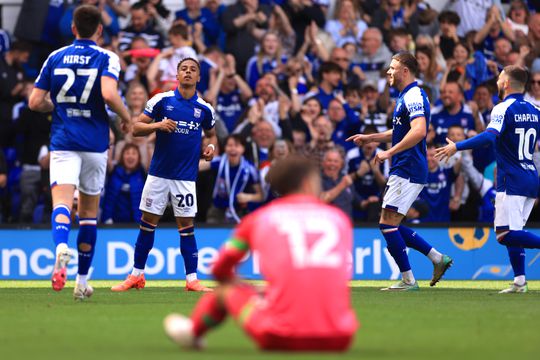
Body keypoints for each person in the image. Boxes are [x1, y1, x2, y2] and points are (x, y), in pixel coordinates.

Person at [163, 155, 358, 351]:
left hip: (278, 335)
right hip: (340, 337)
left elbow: (219, 270)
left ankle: (193, 333)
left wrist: (249, 288)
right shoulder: (339, 219)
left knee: (224, 292)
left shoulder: (260, 219)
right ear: (307, 183)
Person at [28, 5, 131, 299]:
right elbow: (109, 94)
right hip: (95, 144)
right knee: (88, 214)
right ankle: (81, 282)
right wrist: (125, 116)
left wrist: (55, 106)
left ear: (72, 29)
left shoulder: (55, 56)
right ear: (100, 30)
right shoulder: (106, 57)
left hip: (63, 141)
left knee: (61, 204)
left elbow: (36, 102)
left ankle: (61, 247)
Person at [347, 52, 453, 291]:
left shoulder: (414, 95)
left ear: (405, 71)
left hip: (408, 167)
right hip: (406, 167)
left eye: (393, 68)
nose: (388, 72)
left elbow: (419, 131)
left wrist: (389, 152)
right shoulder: (406, 96)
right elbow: (401, 132)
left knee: (387, 225)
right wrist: (371, 138)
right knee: (390, 223)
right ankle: (437, 258)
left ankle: (408, 280)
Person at [111, 57, 217, 292]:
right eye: (183, 69)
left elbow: (212, 135)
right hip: (158, 175)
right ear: (177, 75)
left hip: (185, 179)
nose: (188, 73)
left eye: (192, 70)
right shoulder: (162, 101)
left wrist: (210, 147)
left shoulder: (204, 109)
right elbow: (135, 128)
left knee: (186, 227)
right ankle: (136, 276)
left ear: (199, 77)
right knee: (147, 224)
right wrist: (157, 126)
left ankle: (192, 280)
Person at [436, 65, 540, 293]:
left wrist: (457, 146)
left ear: (507, 84)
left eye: (500, 77)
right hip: (530, 177)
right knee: (516, 231)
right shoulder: (534, 110)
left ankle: (520, 280)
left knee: (505, 234)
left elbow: (489, 136)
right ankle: (520, 281)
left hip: (511, 180)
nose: (497, 80)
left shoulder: (503, 107)